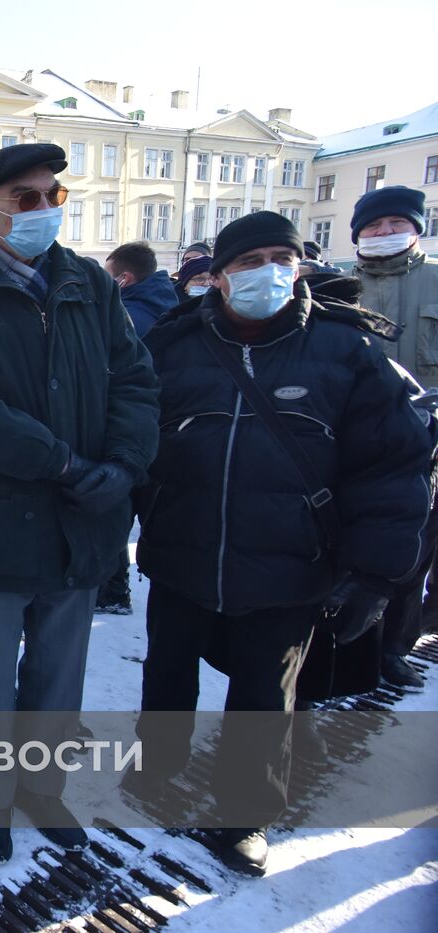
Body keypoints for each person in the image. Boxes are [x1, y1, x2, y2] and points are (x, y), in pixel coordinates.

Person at [131, 211, 433, 876]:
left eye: (280, 256)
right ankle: (156, 769)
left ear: (298, 265)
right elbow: (132, 440)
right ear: (220, 275)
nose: (266, 270)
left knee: (266, 695)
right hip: (183, 547)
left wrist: (376, 575)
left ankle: (244, 815)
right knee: (167, 672)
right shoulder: (173, 343)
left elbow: (390, 465)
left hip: (291, 562)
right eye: (248, 260)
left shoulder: (345, 350)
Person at [0, 142, 160, 863]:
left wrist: (123, 462)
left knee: (59, 669)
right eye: (27, 198)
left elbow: (134, 381)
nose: (45, 208)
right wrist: (62, 459)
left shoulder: (89, 282)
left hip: (82, 519)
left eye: (54, 195)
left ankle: (41, 787)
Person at [351, 186, 438, 688]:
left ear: (416, 229)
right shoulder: (337, 286)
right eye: (374, 227)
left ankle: (394, 649)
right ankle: (343, 648)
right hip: (357, 438)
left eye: (395, 226)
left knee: (412, 548)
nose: (384, 235)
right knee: (351, 547)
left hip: (427, 442)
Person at [97, 240, 179, 616]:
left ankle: (112, 589)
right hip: (161, 428)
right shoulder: (168, 304)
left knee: (115, 509)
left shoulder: (129, 316)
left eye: (109, 278)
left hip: (133, 428)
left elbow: (115, 376)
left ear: (125, 279)